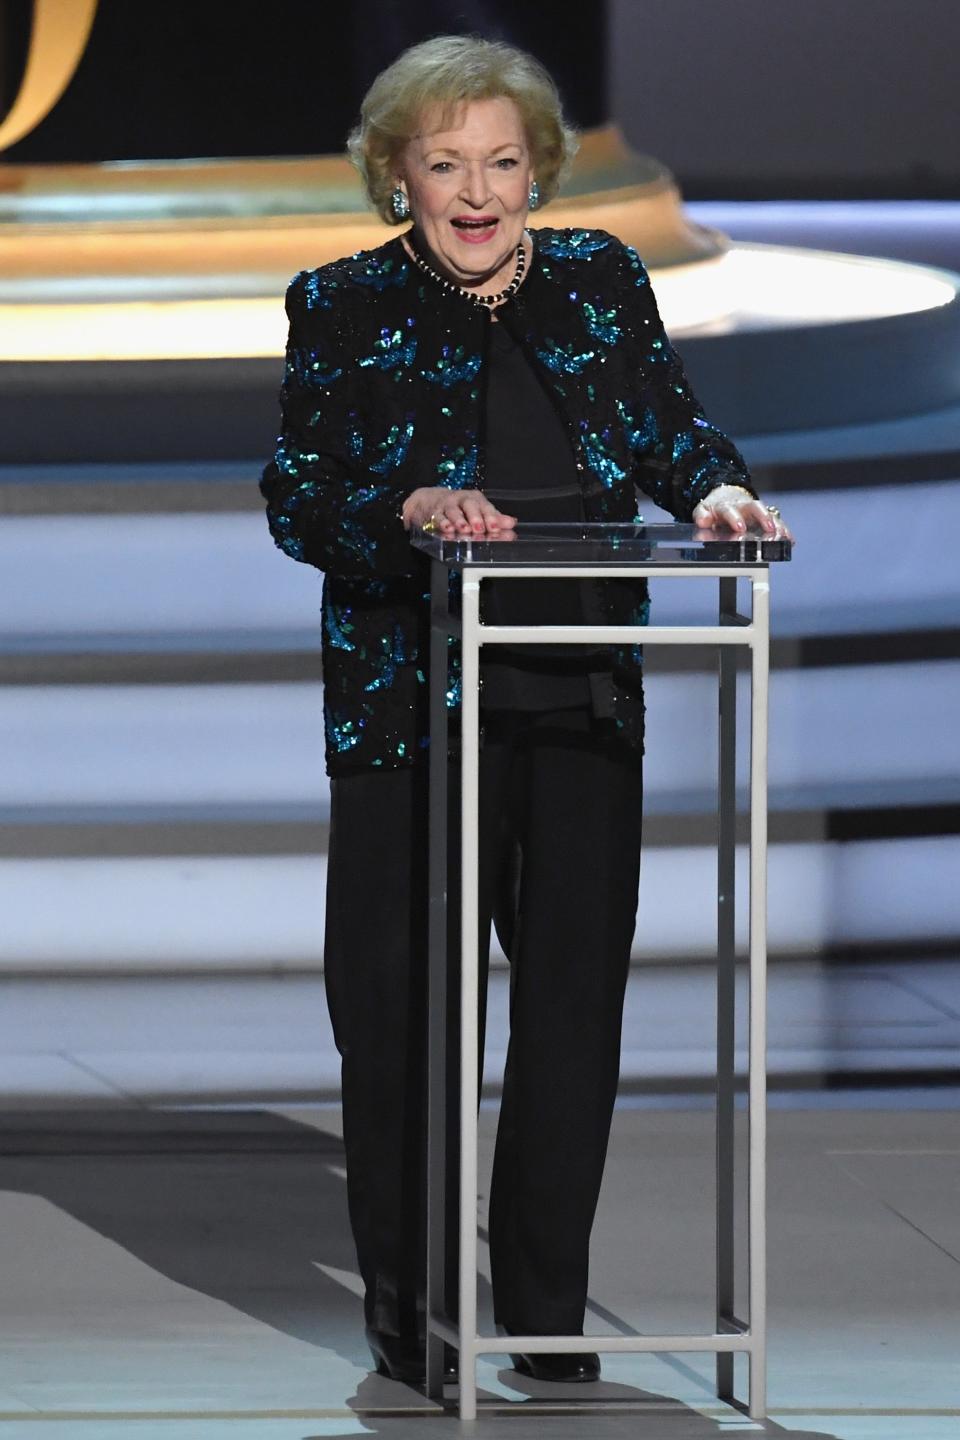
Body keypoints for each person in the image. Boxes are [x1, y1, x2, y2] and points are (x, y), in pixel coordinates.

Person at [260, 34, 789, 1387]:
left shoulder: (604, 283)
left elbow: (673, 431)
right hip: (412, 711)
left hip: (576, 693)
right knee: (398, 1020)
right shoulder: (343, 303)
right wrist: (408, 507)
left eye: (502, 161)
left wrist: (718, 495)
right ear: (399, 175)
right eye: (446, 163)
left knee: (568, 1013)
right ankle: (415, 1317)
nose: (478, 190)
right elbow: (301, 498)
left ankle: (545, 1312)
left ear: (540, 169)